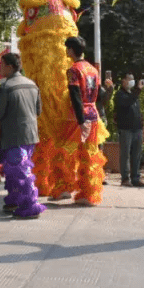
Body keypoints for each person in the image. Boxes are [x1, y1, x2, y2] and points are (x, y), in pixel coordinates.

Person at [0, 52, 46, 219]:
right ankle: (14, 200)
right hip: (31, 135)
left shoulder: (5, 87)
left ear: (9, 67)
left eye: (1, 64)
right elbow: (38, 111)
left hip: (14, 136)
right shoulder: (32, 85)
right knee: (14, 170)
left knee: (21, 171)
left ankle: (30, 205)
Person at [54, 36, 106, 206]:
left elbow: (75, 96)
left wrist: (80, 119)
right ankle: (88, 193)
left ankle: (64, 188)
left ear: (70, 50)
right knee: (89, 154)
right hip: (93, 114)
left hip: (76, 117)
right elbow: (101, 94)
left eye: (66, 48)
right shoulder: (93, 69)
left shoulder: (74, 70)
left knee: (65, 151)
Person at [115, 73, 144, 188]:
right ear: (123, 81)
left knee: (137, 154)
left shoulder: (133, 95)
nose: (132, 82)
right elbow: (127, 102)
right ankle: (125, 179)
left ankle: (135, 178)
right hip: (125, 129)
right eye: (129, 79)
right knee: (125, 154)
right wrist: (138, 90)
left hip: (137, 129)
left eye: (133, 80)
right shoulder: (120, 94)